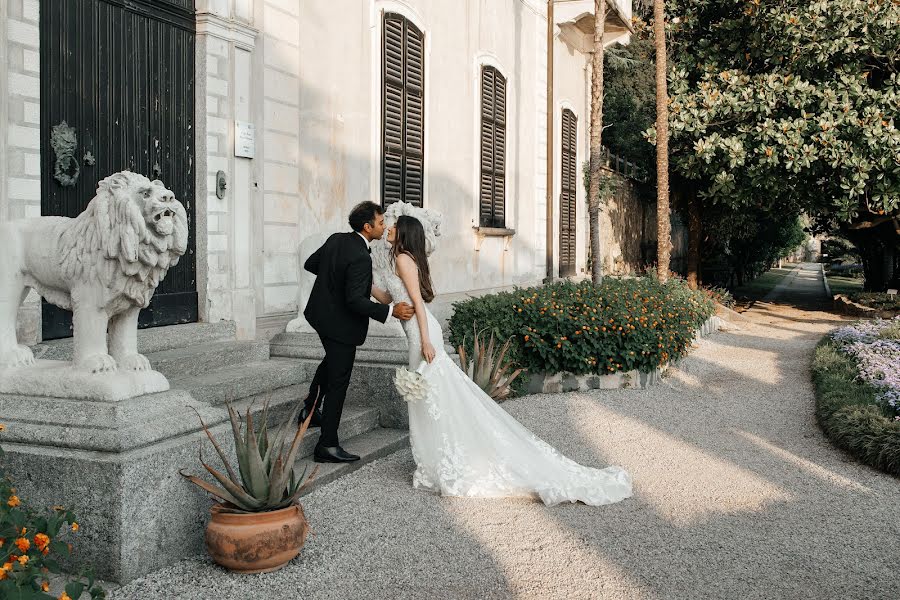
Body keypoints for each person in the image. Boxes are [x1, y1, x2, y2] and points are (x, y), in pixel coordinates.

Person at [371, 215, 632, 505]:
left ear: (404, 233)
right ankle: (439, 456)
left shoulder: (404, 259)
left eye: (394, 225)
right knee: (434, 396)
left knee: (434, 395)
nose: (389, 228)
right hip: (418, 333)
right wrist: (364, 281)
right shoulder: (401, 258)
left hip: (421, 335)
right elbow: (387, 297)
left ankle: (444, 458)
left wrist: (427, 341)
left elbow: (418, 304)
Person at [300, 202, 415, 463]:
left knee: (331, 362)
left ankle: (309, 406)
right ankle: (327, 444)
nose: (384, 226)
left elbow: (312, 264)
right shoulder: (361, 257)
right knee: (339, 381)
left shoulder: (336, 239)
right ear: (368, 227)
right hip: (340, 325)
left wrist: (338, 280)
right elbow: (354, 301)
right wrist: (390, 312)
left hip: (320, 316)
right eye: (381, 222)